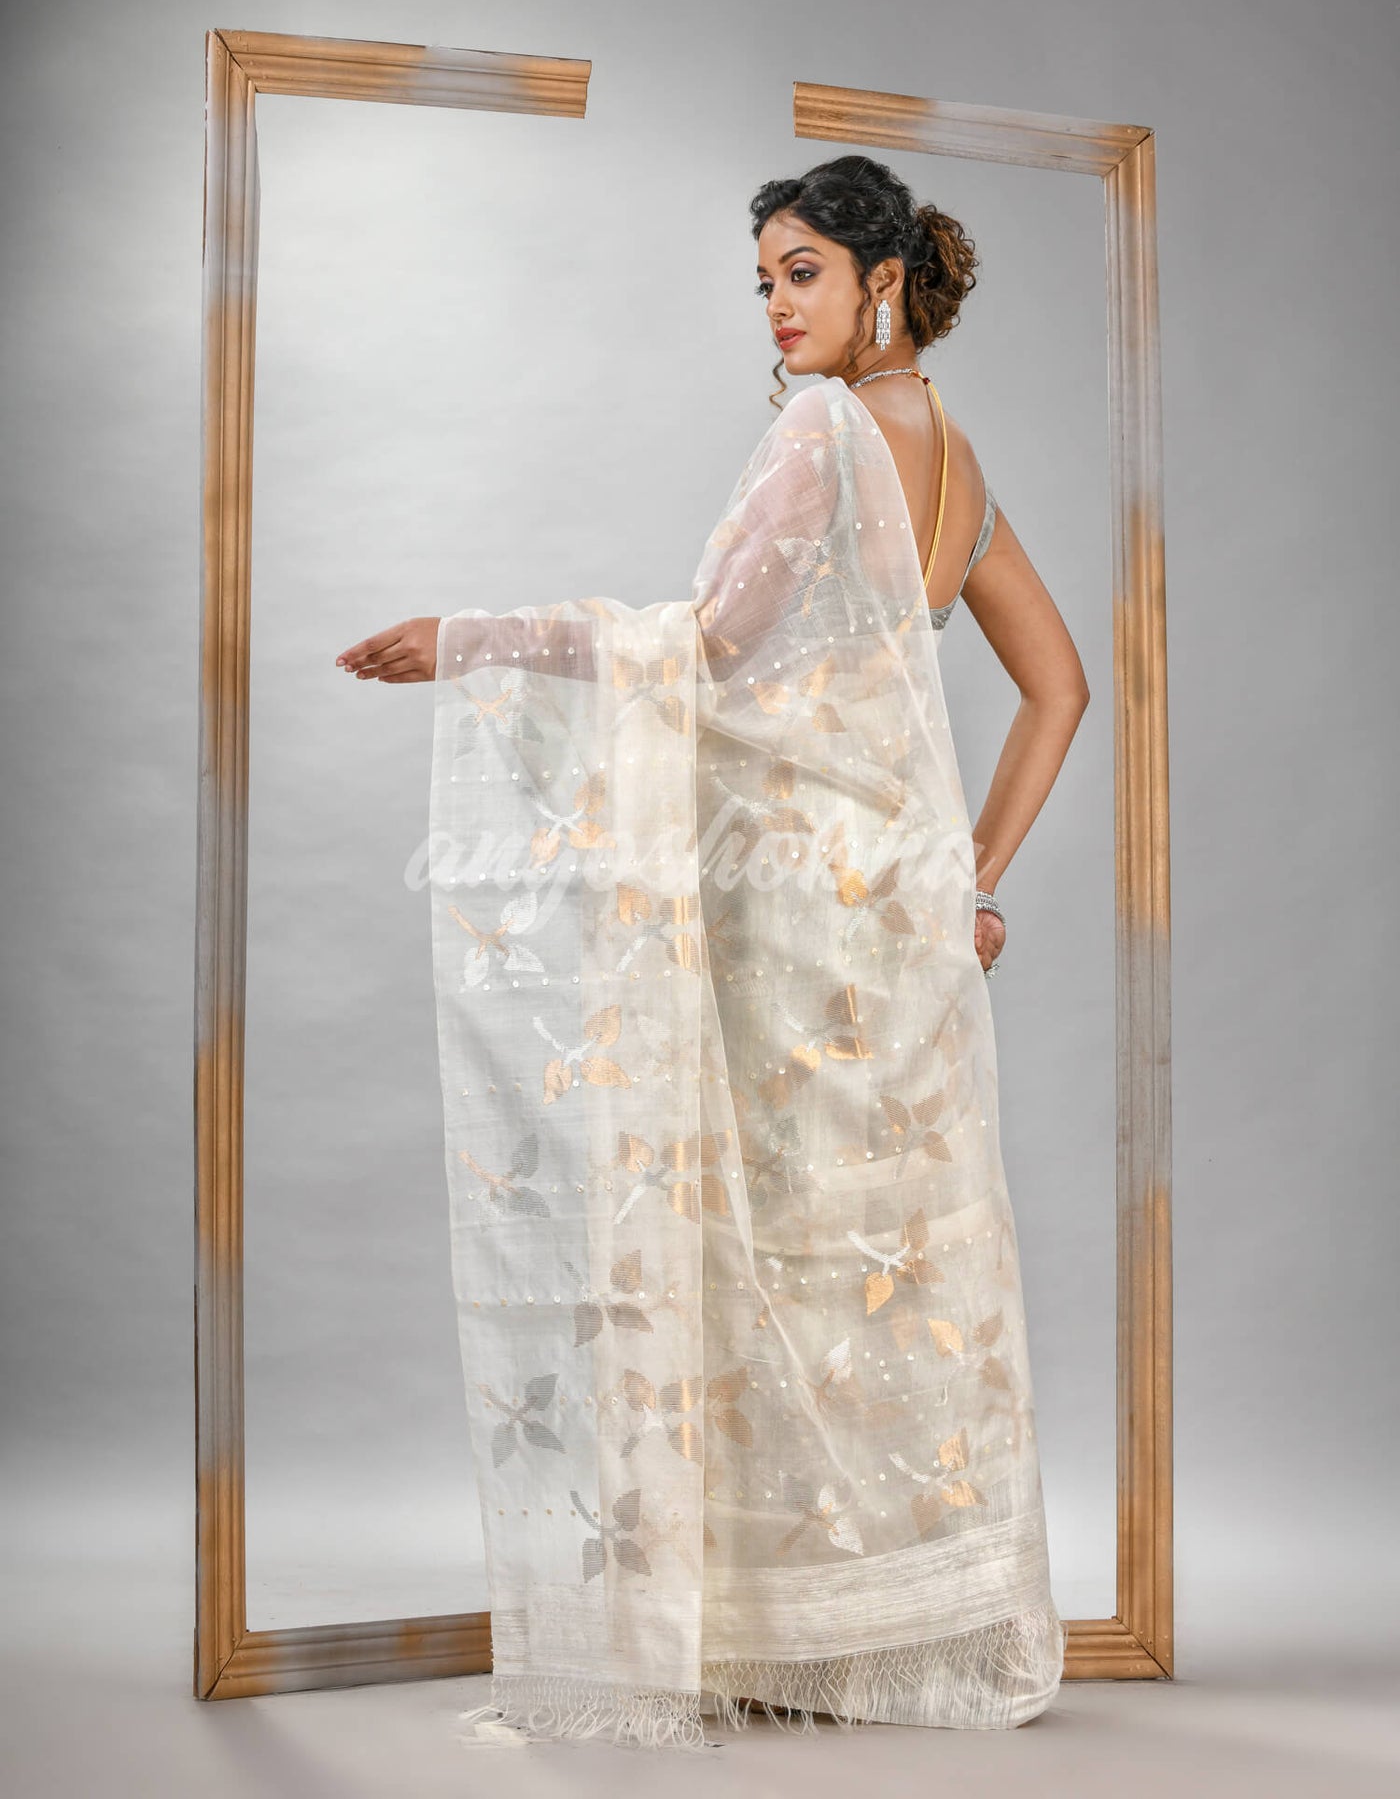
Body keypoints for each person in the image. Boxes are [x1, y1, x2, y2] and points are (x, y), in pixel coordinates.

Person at [334, 155, 1089, 1750]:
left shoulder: (823, 432)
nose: (777, 307)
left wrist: (473, 640)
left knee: (760, 1256)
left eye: (803, 272)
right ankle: (856, 1635)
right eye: (764, 281)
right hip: (897, 925)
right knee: (874, 1268)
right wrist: (968, 880)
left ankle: (764, 1638)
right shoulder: (954, 461)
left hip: (794, 920)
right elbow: (1062, 686)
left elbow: (707, 644)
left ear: (884, 279)